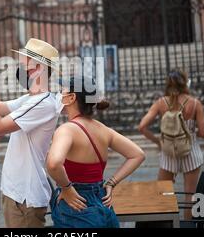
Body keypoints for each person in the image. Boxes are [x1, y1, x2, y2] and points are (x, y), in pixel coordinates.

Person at [0, 38, 60, 228]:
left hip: (24, 197)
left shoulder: (43, 103)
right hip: (17, 194)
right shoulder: (32, 99)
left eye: (26, 64)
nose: (21, 68)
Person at [46, 76, 145, 228]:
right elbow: (138, 154)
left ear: (72, 98)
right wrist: (111, 183)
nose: (59, 94)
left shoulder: (66, 130)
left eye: (62, 91)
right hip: (102, 202)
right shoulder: (103, 130)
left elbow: (53, 164)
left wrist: (67, 189)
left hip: (76, 205)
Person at [138, 70, 204, 219]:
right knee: (191, 195)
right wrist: (189, 130)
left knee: (163, 193)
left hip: (168, 153)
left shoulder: (161, 103)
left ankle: (167, 223)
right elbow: (203, 132)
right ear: (185, 83)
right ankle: (188, 226)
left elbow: (142, 126)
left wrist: (158, 142)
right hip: (191, 152)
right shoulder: (195, 104)